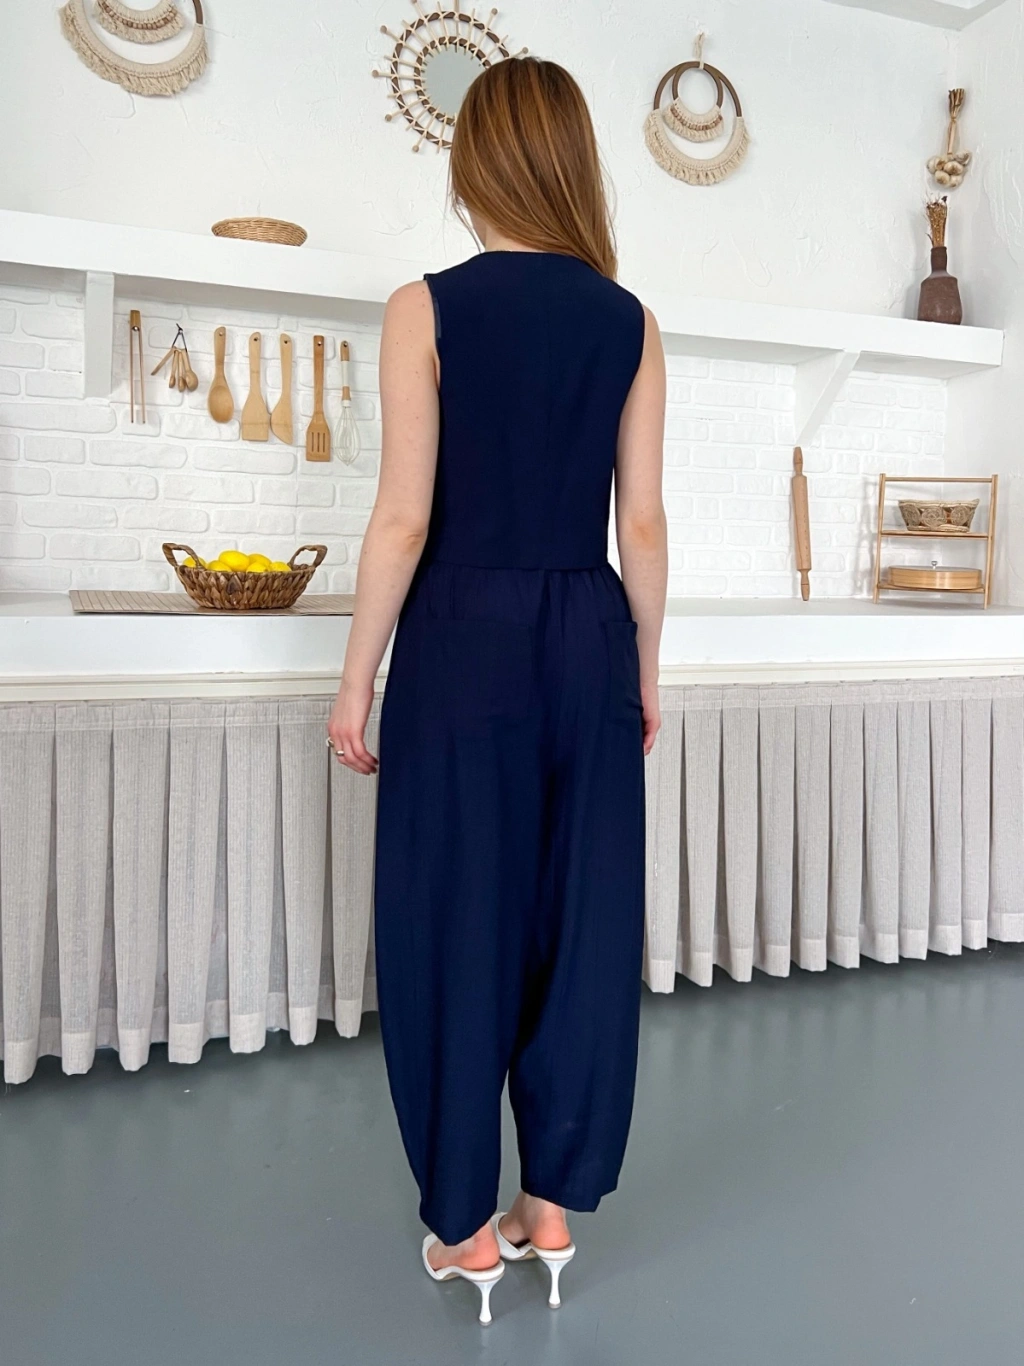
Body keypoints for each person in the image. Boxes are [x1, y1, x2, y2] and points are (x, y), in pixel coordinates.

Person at [327, 55, 667, 1324]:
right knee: (577, 921)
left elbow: (402, 518)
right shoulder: (629, 322)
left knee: (454, 916)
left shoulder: (422, 309)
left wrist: (356, 681)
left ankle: (467, 1227)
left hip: (462, 637)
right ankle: (552, 1210)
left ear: (473, 164)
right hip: (586, 631)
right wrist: (641, 673)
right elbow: (644, 524)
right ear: (574, 162)